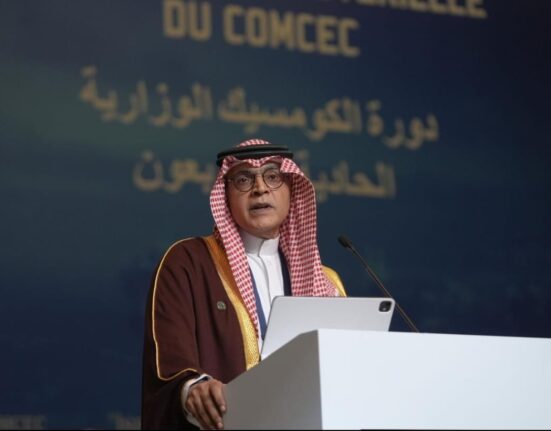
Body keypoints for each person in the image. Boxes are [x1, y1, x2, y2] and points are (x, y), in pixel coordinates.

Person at [141, 138, 346, 430]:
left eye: (273, 176)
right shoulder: (188, 264)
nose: (260, 188)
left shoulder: (326, 283)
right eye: (243, 179)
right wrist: (194, 389)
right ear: (225, 196)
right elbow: (171, 363)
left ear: (292, 189)